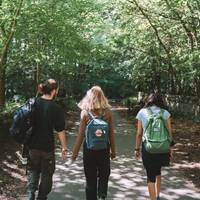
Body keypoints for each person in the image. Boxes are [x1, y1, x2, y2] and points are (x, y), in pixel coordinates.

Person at [72, 86, 116, 200]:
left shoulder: (85, 113)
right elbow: (111, 134)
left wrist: (75, 153)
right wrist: (113, 151)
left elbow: (81, 135)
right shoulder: (108, 112)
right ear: (102, 97)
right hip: (104, 148)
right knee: (104, 174)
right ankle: (102, 195)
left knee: (90, 179)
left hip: (89, 149)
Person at [27, 79, 68, 200]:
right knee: (47, 173)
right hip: (47, 147)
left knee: (33, 170)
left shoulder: (33, 102)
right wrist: (64, 147)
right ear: (54, 91)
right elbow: (60, 130)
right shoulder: (56, 108)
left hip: (32, 145)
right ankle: (42, 196)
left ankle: (30, 194)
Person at [135, 92, 174, 200]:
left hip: (148, 148)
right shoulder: (165, 113)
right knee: (158, 171)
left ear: (149, 100)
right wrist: (170, 148)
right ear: (160, 101)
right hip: (163, 147)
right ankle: (157, 196)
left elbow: (139, 134)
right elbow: (170, 133)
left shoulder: (142, 112)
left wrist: (137, 149)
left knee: (150, 176)